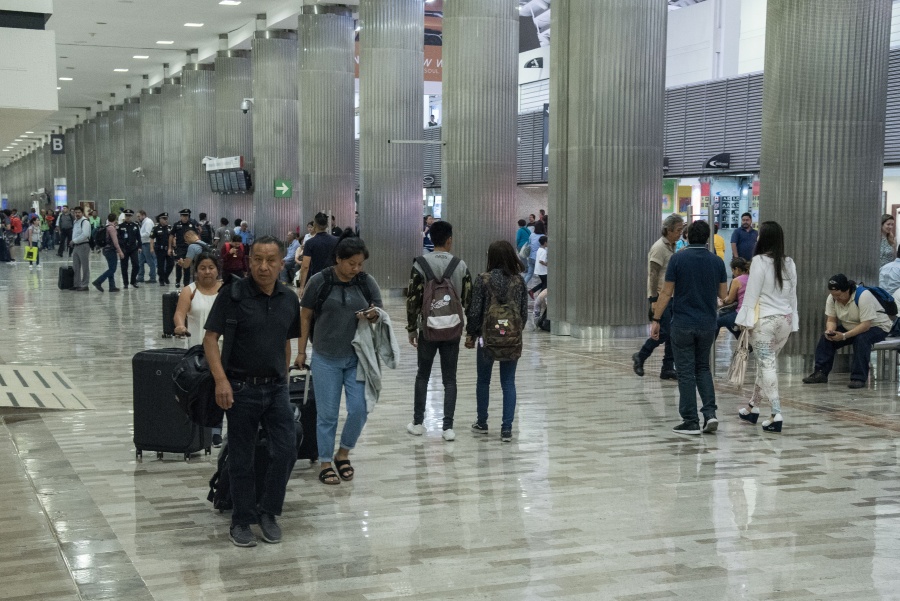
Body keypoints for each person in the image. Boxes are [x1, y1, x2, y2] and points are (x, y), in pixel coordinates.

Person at [203, 235, 300, 547]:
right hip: (240, 389)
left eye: (271, 260)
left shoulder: (288, 298)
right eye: (257, 259)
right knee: (241, 458)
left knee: (285, 450)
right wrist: (221, 381)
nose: (263, 266)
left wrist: (283, 378)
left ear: (281, 263)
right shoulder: (232, 295)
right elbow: (210, 339)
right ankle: (242, 519)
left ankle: (268, 511)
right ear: (248, 261)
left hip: (276, 390)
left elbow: (286, 341)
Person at [297, 233, 383, 485]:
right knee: (328, 414)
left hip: (357, 358)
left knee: (360, 408)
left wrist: (373, 315)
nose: (356, 269)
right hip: (325, 357)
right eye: (351, 264)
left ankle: (343, 453)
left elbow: (380, 312)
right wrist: (301, 352)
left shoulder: (366, 282)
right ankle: (325, 460)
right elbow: (304, 317)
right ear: (338, 259)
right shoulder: (319, 281)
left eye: (360, 264)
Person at [650, 220, 727, 435]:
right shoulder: (717, 262)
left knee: (685, 372)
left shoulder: (677, 259)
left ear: (686, 235)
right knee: (703, 368)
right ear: (708, 238)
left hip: (683, 323)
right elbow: (723, 295)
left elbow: (666, 293)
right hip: (707, 324)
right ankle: (710, 414)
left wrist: (656, 319)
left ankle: (690, 420)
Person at [405, 220, 473, 441]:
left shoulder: (420, 263)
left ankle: (417, 422)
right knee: (450, 379)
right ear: (449, 239)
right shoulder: (459, 265)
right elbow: (468, 300)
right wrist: (471, 331)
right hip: (452, 330)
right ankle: (448, 428)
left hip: (428, 329)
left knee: (422, 375)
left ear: (431, 239)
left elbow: (413, 298)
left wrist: (412, 329)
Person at [734, 221, 798, 432]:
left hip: (764, 323)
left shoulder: (759, 261)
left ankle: (776, 413)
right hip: (785, 322)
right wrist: (794, 320)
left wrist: (744, 321)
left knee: (767, 365)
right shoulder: (789, 262)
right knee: (766, 365)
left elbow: (751, 295)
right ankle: (752, 408)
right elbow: (793, 296)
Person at [465, 241, 528, 442]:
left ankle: (482, 421)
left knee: (483, 380)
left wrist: (472, 334)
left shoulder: (483, 280)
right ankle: (507, 428)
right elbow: (524, 313)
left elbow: (475, 311)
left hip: (486, 338)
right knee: (508, 382)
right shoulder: (519, 281)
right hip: (511, 338)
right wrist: (513, 331)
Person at [802, 274, 893, 389]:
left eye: (839, 295)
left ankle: (858, 378)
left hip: (876, 327)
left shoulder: (863, 296)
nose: (836, 298)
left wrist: (844, 336)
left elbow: (866, 325)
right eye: (833, 295)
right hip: (851, 325)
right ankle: (820, 373)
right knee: (826, 339)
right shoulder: (832, 298)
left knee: (861, 339)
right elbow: (831, 319)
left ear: (847, 290)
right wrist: (830, 330)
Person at [174, 250, 225, 446]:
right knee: (201, 390)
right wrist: (180, 325)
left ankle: (216, 431)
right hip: (198, 350)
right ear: (196, 271)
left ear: (217, 270)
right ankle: (198, 431)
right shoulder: (190, 290)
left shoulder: (225, 290)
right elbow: (180, 313)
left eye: (211, 268)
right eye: (203, 268)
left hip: (222, 348)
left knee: (220, 387)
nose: (207, 272)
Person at [633, 214, 684, 380]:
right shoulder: (659, 247)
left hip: (672, 296)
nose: (680, 233)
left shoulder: (672, 246)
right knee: (664, 333)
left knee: (673, 333)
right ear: (668, 230)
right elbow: (653, 274)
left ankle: (668, 367)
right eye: (678, 230)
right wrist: (653, 300)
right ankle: (641, 355)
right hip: (661, 297)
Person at [298, 212, 338, 293]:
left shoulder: (310, 243)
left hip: (317, 279)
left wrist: (302, 287)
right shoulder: (336, 240)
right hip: (334, 278)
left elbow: (305, 266)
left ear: (315, 225)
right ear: (327, 225)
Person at [716, 257, 750, 340]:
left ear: (737, 269)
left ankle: (710, 345)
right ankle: (741, 340)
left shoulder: (737, 280)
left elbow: (730, 299)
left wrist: (722, 301)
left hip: (740, 313)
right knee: (729, 321)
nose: (733, 273)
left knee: (717, 321)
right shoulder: (752, 278)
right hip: (750, 312)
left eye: (733, 270)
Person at [169, 209, 200, 288]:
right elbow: (171, 236)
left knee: (187, 265)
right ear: (181, 216)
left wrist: (197, 244)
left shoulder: (191, 225)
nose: (185, 218)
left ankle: (186, 283)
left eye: (186, 216)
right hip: (179, 247)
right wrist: (170, 247)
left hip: (189, 247)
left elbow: (197, 235)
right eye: (184, 216)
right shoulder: (176, 225)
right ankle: (177, 281)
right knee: (179, 264)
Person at [92, 214, 123, 292]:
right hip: (110, 250)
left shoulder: (106, 227)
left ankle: (112, 286)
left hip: (105, 250)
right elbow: (115, 242)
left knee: (110, 268)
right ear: (115, 219)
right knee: (112, 269)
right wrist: (120, 252)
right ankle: (98, 281)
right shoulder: (111, 228)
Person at [117, 209, 142, 289]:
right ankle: (125, 283)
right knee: (124, 266)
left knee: (136, 265)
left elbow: (139, 237)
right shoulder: (120, 226)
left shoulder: (135, 226)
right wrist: (120, 249)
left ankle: (133, 281)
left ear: (131, 216)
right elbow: (118, 238)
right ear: (125, 216)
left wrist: (140, 247)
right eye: (126, 215)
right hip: (124, 249)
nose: (128, 217)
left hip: (133, 248)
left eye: (129, 216)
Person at [70, 206, 91, 290]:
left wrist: (74, 241)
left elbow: (85, 235)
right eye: (76, 212)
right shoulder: (75, 222)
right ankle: (77, 284)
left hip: (83, 245)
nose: (77, 214)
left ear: (82, 213)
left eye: (79, 212)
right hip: (76, 246)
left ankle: (85, 284)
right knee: (76, 266)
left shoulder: (85, 222)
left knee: (85, 266)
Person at [151, 213, 173, 286]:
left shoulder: (169, 227)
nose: (166, 220)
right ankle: (161, 280)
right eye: (164, 219)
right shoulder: (156, 228)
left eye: (166, 218)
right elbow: (151, 238)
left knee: (171, 264)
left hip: (169, 249)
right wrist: (151, 248)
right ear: (160, 219)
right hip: (160, 249)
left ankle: (166, 276)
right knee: (160, 266)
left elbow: (173, 237)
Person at [136, 210, 157, 284]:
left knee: (150, 261)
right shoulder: (144, 222)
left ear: (143, 215)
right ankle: (140, 277)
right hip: (143, 244)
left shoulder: (148, 222)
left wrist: (138, 236)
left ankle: (152, 277)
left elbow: (148, 233)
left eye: (139, 216)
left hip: (147, 244)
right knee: (140, 261)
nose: (138, 218)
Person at [523, 220, 546, 286]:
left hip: (531, 257)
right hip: (539, 257)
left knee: (529, 273)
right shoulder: (543, 236)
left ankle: (523, 285)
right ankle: (540, 290)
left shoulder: (532, 235)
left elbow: (529, 244)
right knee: (541, 275)